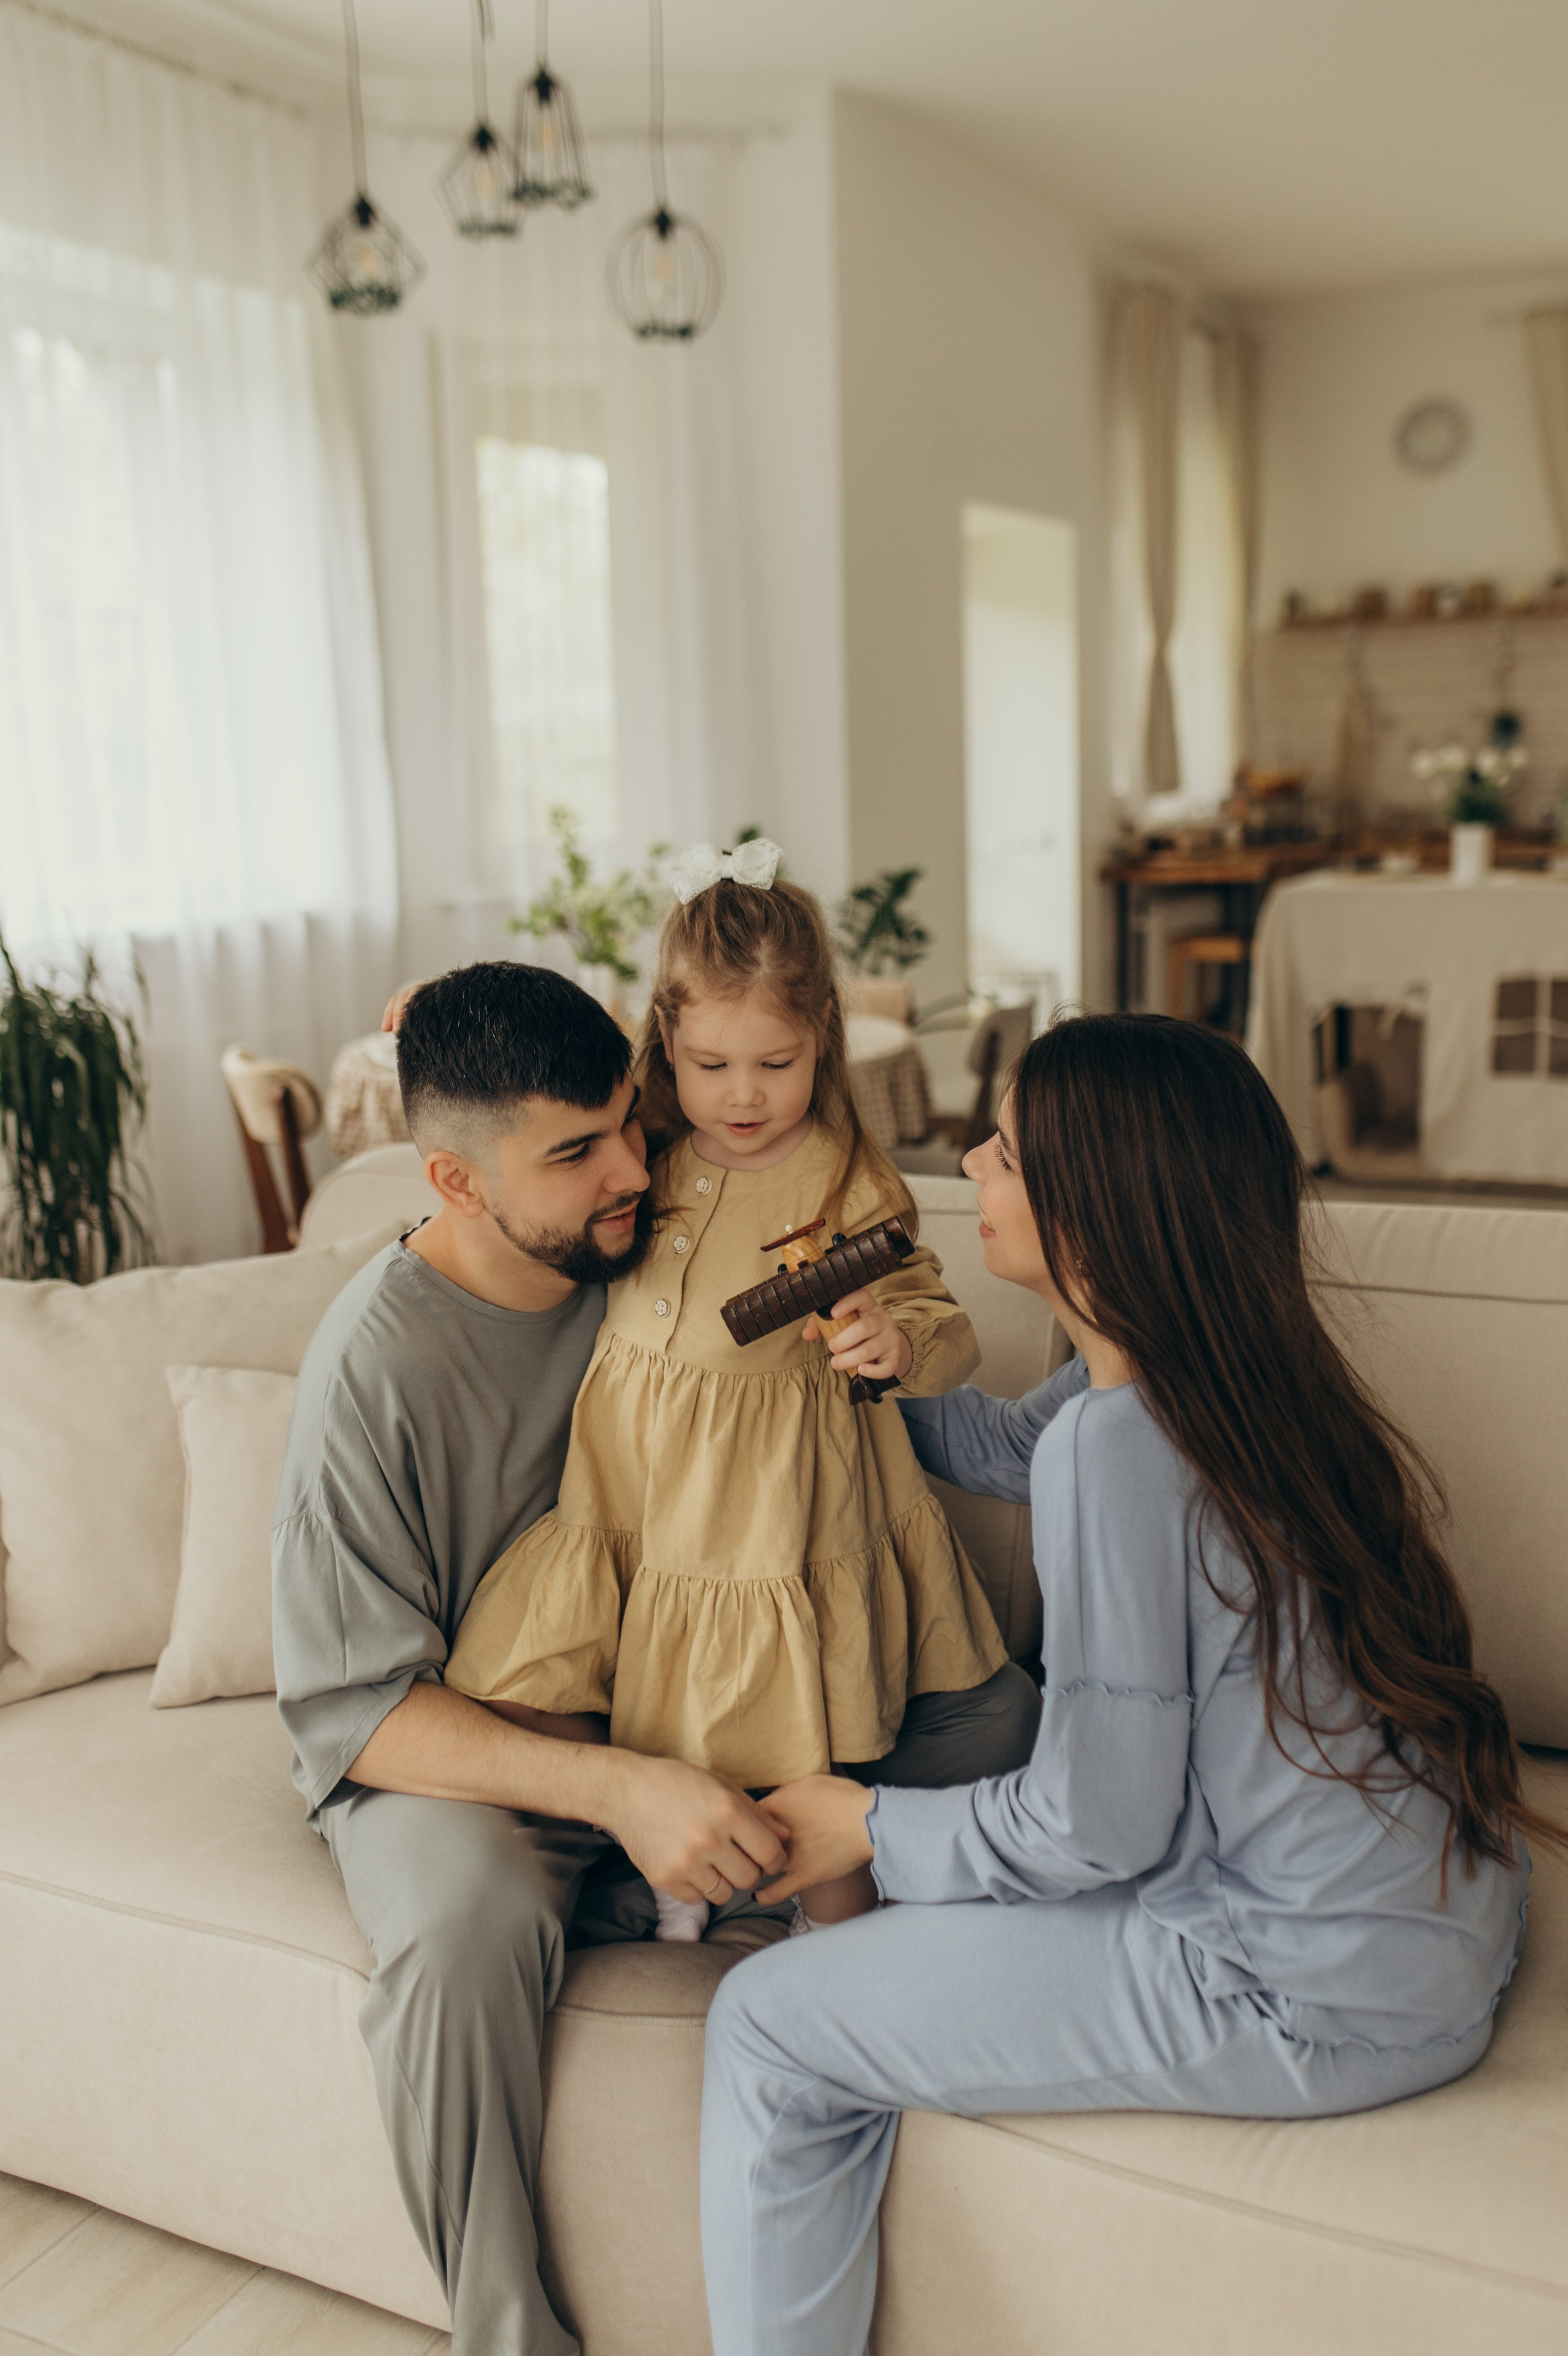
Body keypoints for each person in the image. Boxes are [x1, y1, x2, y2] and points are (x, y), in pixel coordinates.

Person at [699, 1012, 1559, 2356]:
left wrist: (862, 1824)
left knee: (764, 2020)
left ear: (1092, 1212)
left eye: (1004, 1151)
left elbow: (1094, 1827)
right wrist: (879, 1368)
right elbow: (1000, 1451)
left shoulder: (1118, 1446)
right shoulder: (1216, 1373)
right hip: (1439, 1922)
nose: (971, 1163)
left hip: (1302, 1988)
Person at [271, 957, 1038, 2356]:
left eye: (632, 1119)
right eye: (578, 1152)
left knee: (1002, 1738)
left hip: (709, 1685)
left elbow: (731, 1029)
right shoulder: (373, 1370)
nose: (636, 1166)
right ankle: (508, 2334)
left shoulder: (636, 1240)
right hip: (473, 1749)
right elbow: (354, 1710)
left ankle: (688, 1886)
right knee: (466, 1928)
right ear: (450, 1181)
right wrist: (625, 1791)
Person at [443, 843, 1020, 1941]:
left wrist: (895, 1343)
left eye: (776, 1063)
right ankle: (672, 1876)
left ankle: (830, 1933)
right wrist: (435, 1010)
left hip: (774, 1509)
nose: (743, 1095)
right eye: (710, 1065)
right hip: (636, 1487)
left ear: (824, 1043)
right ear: (665, 1040)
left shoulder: (847, 1176)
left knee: (796, 1731)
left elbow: (939, 1318)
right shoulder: (639, 1147)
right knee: (602, 1694)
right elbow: (519, 1105)